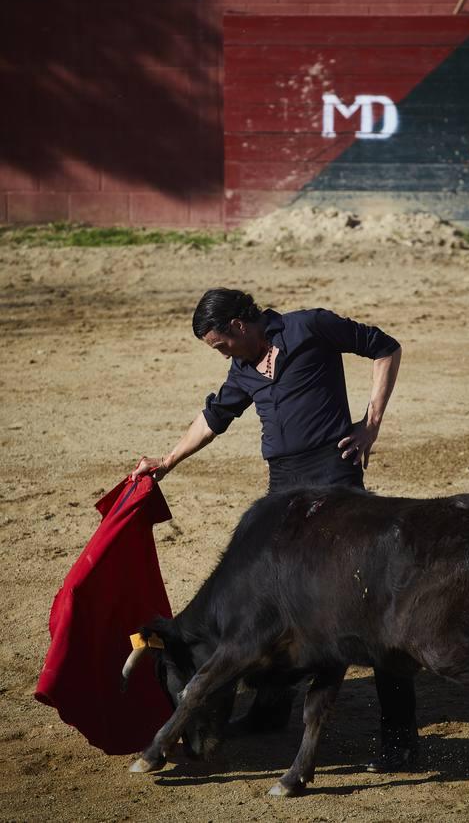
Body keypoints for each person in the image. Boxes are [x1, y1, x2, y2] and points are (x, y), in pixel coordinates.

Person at [132, 288, 417, 771]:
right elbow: (213, 418)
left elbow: (385, 346)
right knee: (269, 599)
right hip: (283, 489)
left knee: (367, 602)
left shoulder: (310, 327)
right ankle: (269, 714)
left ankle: (400, 741)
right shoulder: (242, 370)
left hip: (335, 480)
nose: (221, 353)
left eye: (220, 343)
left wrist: (370, 423)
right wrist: (167, 460)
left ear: (240, 327)